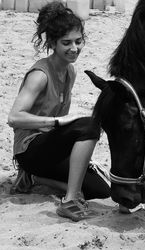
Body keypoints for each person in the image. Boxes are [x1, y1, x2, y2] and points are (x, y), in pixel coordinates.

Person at [7, 1, 110, 222]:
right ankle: (69, 201)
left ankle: (34, 178)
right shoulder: (41, 74)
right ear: (53, 43)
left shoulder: (70, 72)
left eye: (78, 41)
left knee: (100, 190)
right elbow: (14, 117)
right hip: (30, 149)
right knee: (90, 124)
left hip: (50, 147)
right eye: (67, 43)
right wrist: (57, 122)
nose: (74, 48)